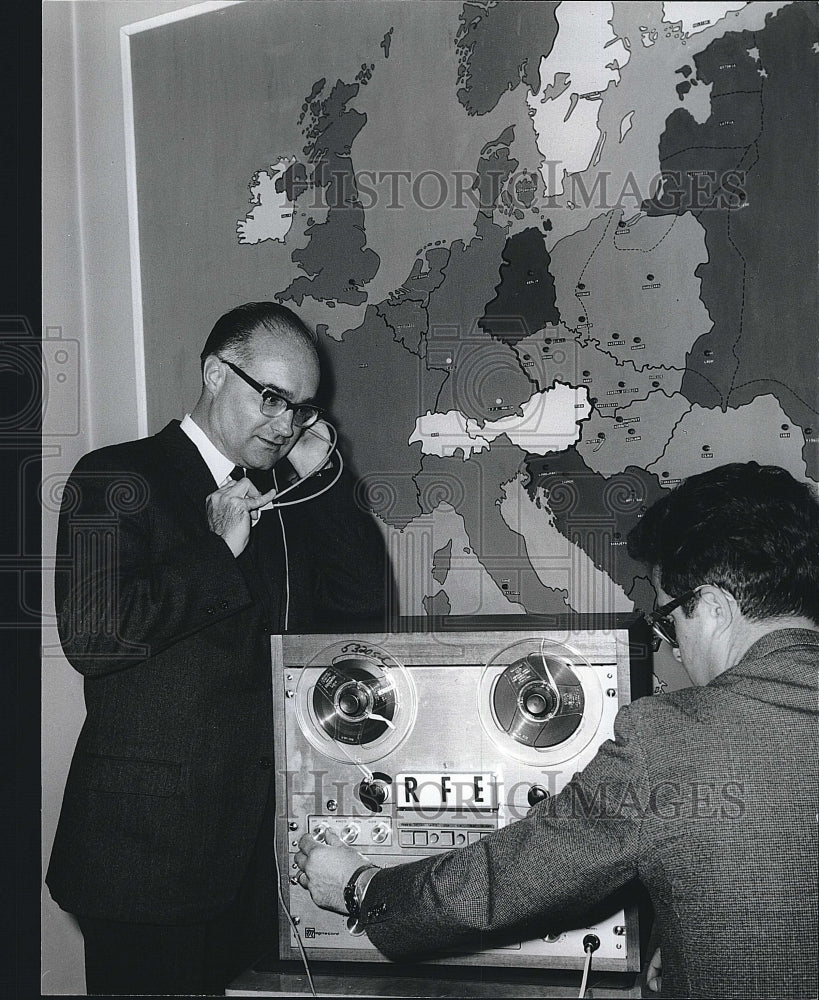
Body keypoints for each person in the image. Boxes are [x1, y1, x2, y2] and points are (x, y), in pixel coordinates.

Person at [297, 462, 818, 999]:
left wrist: (361, 887)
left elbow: (499, 885)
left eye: (668, 620)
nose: (673, 646)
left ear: (712, 605)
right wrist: (692, 943)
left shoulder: (675, 737)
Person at [47, 302, 387, 995]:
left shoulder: (282, 501)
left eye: (300, 409)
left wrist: (323, 483)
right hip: (144, 858)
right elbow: (93, 636)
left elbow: (359, 613)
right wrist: (217, 552)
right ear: (213, 372)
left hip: (255, 856)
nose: (283, 423)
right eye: (270, 398)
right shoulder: (113, 476)